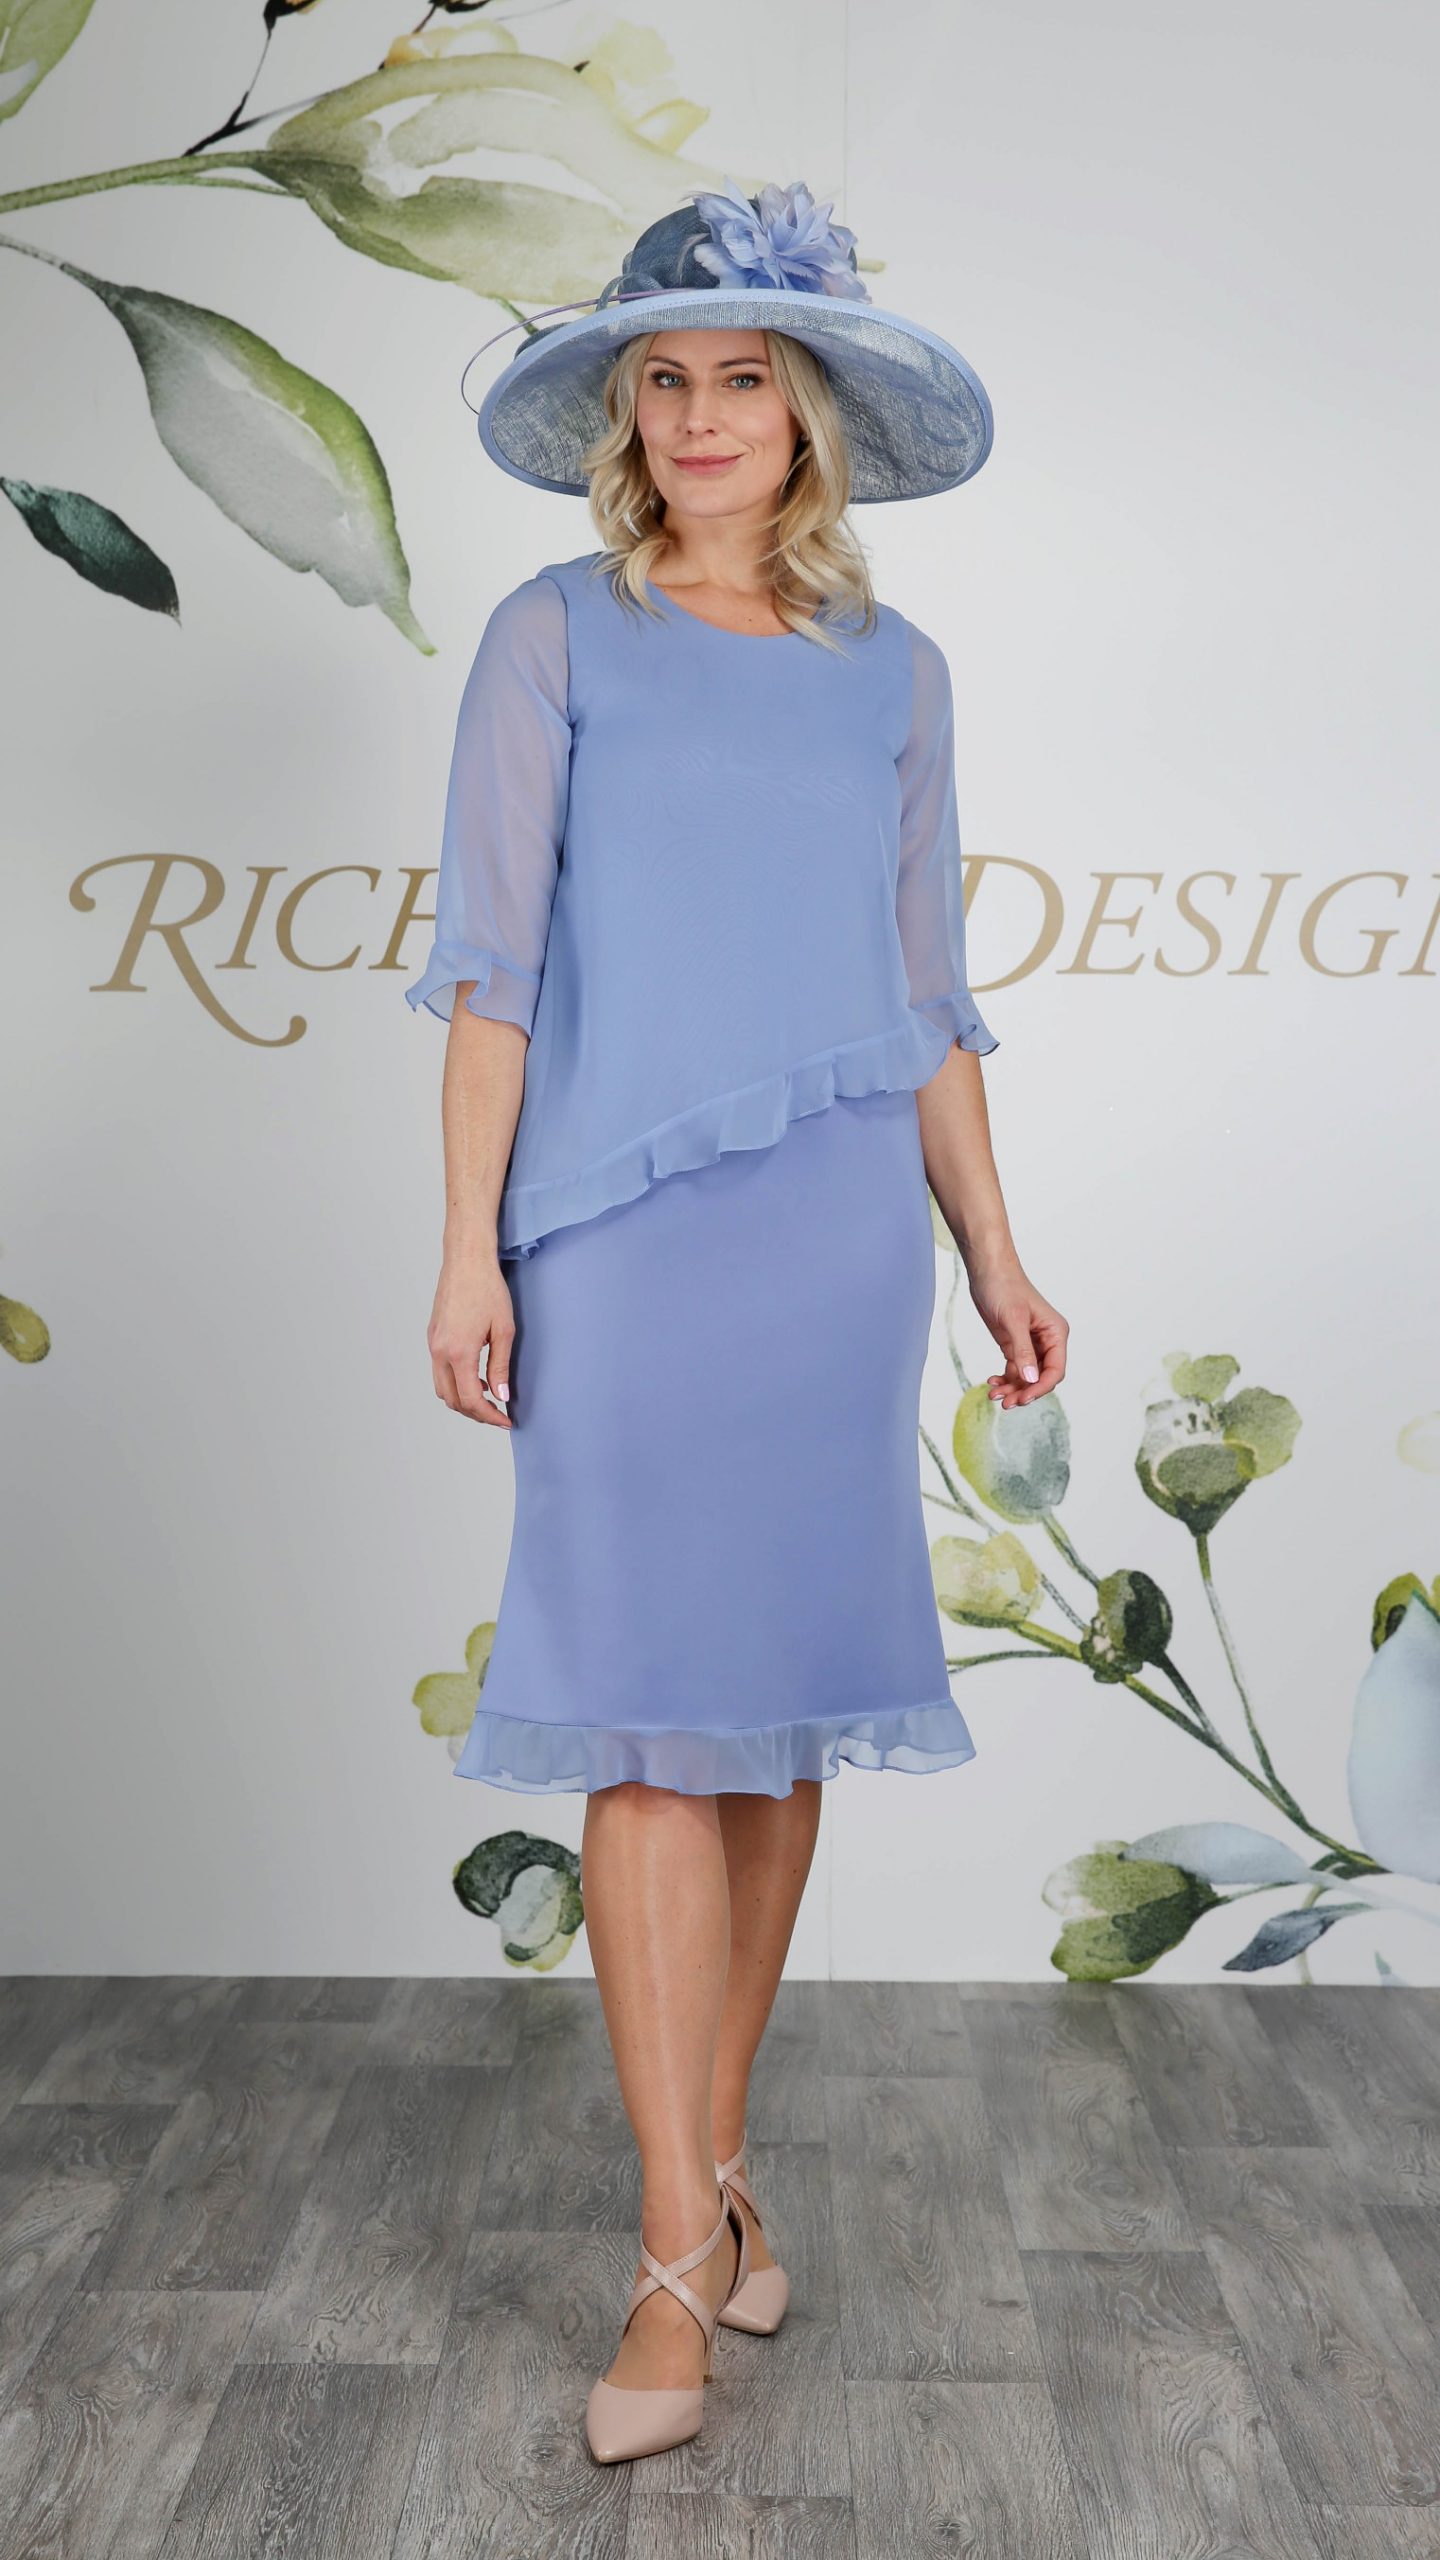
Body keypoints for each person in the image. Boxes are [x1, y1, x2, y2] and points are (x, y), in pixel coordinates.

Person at [405, 179, 1068, 2464]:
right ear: (627, 416)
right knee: (638, 1721)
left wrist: (996, 1248)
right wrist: (469, 1246)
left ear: (808, 416)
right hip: (608, 1235)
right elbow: (491, 973)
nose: (702, 416)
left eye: (744, 378)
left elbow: (928, 998)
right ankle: (676, 2247)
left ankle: (708, 2172)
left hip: (834, 1243)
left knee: (773, 1727)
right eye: (666, 380)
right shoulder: (550, 641)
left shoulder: (900, 675)